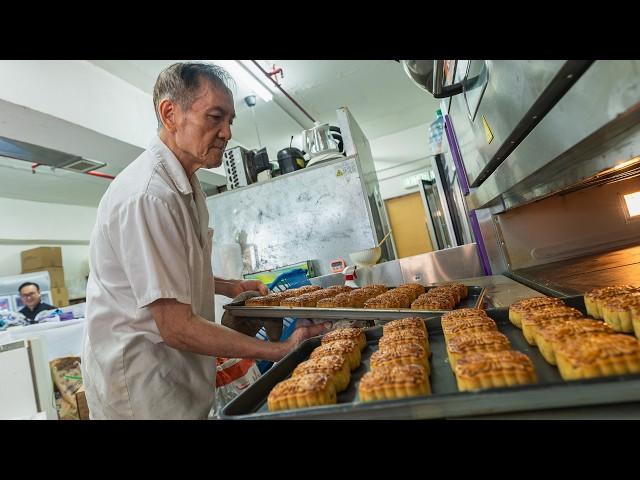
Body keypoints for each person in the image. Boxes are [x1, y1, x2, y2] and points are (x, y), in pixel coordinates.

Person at [81, 62, 330, 420]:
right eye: (215, 117)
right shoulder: (148, 195)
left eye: (230, 121)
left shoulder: (185, 185)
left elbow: (165, 271)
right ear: (170, 113)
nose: (227, 132)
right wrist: (277, 350)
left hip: (177, 376)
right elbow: (176, 326)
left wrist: (230, 286)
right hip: (142, 389)